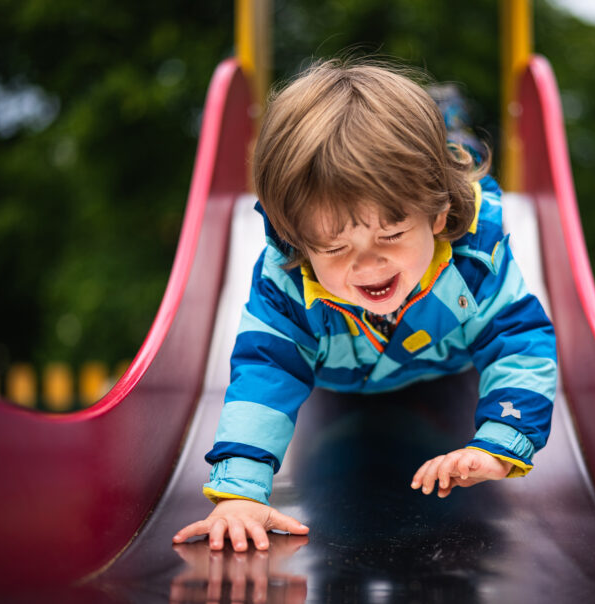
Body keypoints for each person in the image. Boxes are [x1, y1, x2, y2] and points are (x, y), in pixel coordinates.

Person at [173, 58, 557, 552]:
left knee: (451, 157)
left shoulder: (474, 264)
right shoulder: (287, 283)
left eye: (392, 235)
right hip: (340, 386)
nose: (369, 265)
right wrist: (239, 493)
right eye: (335, 248)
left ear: (437, 215)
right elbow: (266, 373)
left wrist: (500, 445)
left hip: (445, 371)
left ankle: (449, 125)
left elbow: (519, 344)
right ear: (299, 241)